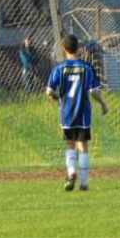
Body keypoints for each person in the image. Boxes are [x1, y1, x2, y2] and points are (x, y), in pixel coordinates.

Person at [46, 34, 108, 192]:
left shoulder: (59, 68)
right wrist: (103, 104)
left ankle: (71, 171)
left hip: (66, 113)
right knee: (83, 145)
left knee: (70, 144)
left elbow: (49, 91)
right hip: (83, 113)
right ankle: (84, 183)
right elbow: (94, 91)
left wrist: (56, 98)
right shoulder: (86, 67)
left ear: (63, 49)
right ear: (78, 48)